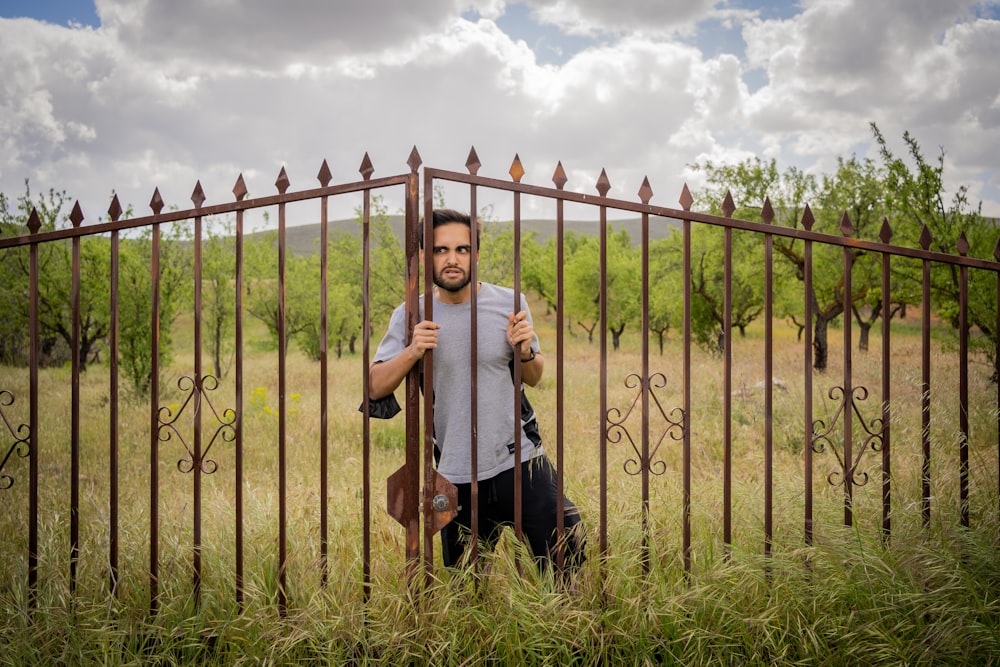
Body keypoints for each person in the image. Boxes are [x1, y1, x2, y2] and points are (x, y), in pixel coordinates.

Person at [369, 208, 584, 571]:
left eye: (462, 249)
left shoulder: (509, 303)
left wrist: (526, 349)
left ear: (477, 255)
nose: (452, 259)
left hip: (519, 459)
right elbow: (374, 387)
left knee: (567, 556)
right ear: (424, 255)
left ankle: (561, 623)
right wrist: (412, 351)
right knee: (466, 584)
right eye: (440, 250)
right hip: (454, 470)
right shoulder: (410, 313)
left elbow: (534, 376)